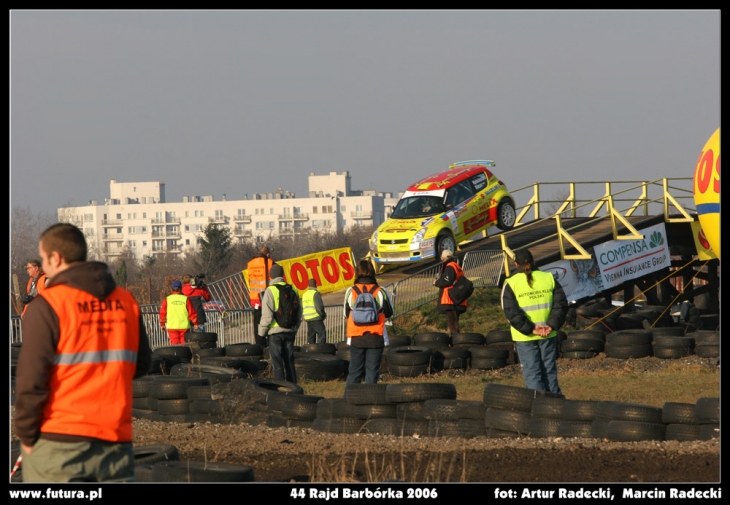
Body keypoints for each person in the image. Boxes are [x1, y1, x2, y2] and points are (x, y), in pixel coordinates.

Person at [14, 223, 152, 482]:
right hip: (114, 442)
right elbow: (141, 363)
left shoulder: (48, 305)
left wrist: (27, 435)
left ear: (56, 258)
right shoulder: (126, 301)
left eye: (43, 259)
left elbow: (31, 380)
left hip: (58, 441)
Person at [501, 248, 568, 395]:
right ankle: (557, 407)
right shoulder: (549, 278)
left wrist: (531, 329)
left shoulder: (510, 283)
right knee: (549, 372)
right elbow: (561, 305)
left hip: (525, 336)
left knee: (533, 373)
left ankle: (539, 410)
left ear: (515, 264)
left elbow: (511, 312)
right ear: (533, 260)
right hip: (548, 334)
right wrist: (550, 325)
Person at [344, 259, 393, 387]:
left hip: (356, 337)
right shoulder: (381, 291)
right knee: (372, 373)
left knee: (354, 372)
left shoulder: (351, 291)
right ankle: (370, 403)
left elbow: (346, 313)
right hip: (376, 336)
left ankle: (348, 401)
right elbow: (389, 312)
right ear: (372, 272)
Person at [258, 264, 300, 383]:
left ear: (271, 276)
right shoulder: (293, 289)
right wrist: (295, 327)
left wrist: (261, 333)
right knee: (289, 361)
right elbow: (299, 312)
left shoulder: (270, 290)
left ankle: (280, 388)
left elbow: (267, 315)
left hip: (275, 333)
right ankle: (293, 387)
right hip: (290, 331)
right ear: (282, 275)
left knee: (277, 363)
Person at [247, 245, 276, 348]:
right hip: (267, 297)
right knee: (270, 319)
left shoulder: (250, 263)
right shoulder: (270, 262)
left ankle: (259, 344)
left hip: (254, 298)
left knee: (257, 321)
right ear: (267, 254)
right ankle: (270, 343)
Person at [434, 249, 467, 335]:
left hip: (450, 299)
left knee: (452, 322)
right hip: (458, 297)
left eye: (442, 258)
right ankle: (457, 339)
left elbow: (447, 281)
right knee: (455, 320)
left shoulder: (449, 267)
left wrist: (436, 282)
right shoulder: (456, 266)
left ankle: (455, 339)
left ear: (444, 258)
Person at [160, 280, 199, 345]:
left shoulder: (167, 299)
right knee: (184, 345)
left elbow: (163, 313)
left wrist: (162, 324)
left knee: (175, 346)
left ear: (172, 289)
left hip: (172, 327)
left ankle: (176, 355)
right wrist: (195, 323)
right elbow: (191, 313)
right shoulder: (186, 299)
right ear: (181, 289)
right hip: (184, 327)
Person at [302, 278, 327, 344]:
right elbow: (319, 307)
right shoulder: (315, 293)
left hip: (308, 318)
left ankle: (310, 351)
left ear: (308, 285)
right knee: (321, 333)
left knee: (311, 337)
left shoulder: (304, 294)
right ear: (316, 285)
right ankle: (321, 349)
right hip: (316, 317)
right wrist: (323, 315)